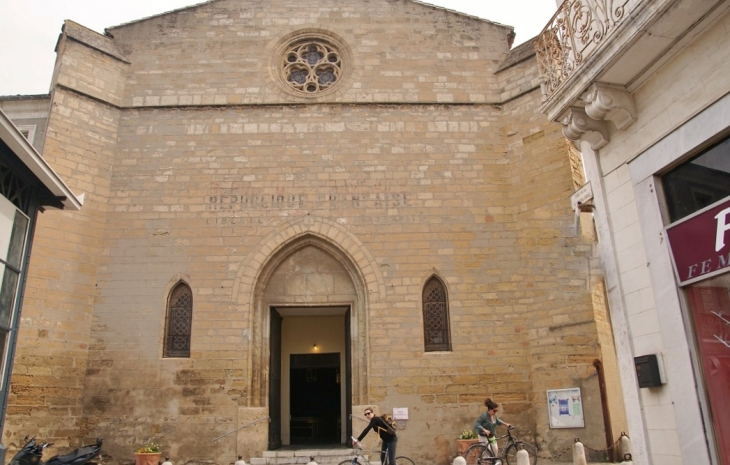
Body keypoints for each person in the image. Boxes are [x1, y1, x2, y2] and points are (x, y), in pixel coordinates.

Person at [474, 398, 511, 463]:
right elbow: (476, 424)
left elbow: (498, 421)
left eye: (496, 411)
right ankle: (484, 463)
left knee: (495, 449)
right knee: (487, 451)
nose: (495, 412)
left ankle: (493, 463)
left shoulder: (494, 416)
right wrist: (484, 430)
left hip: (491, 435)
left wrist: (506, 424)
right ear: (490, 409)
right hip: (483, 435)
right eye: (494, 411)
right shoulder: (484, 416)